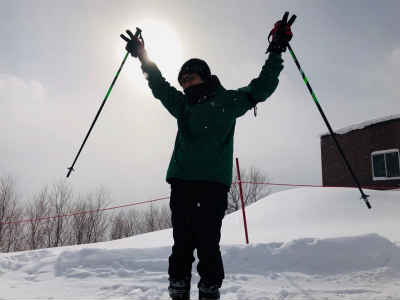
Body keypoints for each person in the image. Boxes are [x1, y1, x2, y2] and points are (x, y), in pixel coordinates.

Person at [121, 14, 293, 300]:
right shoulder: (183, 105)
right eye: (183, 80)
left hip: (213, 184)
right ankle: (178, 289)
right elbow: (160, 87)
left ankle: (209, 290)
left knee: (208, 243)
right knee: (182, 244)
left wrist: (276, 49)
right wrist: (143, 56)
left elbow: (262, 86)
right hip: (183, 182)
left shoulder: (228, 101)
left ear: (204, 76)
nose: (185, 84)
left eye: (190, 78)